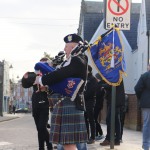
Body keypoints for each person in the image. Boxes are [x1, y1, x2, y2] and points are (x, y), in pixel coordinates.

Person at [34, 33, 88, 150]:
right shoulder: (71, 61)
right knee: (66, 143)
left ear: (73, 47)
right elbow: (61, 79)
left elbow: (60, 75)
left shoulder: (78, 60)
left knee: (68, 143)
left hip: (70, 103)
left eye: (66, 46)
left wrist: (42, 79)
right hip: (65, 103)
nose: (64, 49)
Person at [22, 57, 53, 150]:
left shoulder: (50, 74)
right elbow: (25, 84)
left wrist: (46, 88)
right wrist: (25, 77)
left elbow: (54, 89)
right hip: (35, 103)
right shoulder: (35, 75)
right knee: (39, 128)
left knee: (42, 126)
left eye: (45, 64)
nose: (42, 66)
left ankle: (49, 145)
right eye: (41, 64)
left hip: (45, 103)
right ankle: (41, 147)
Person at [100, 81, 125, 146]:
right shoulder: (117, 73)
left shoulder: (115, 74)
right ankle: (117, 139)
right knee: (116, 120)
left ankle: (108, 139)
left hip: (115, 100)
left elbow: (112, 85)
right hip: (116, 100)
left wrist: (102, 85)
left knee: (109, 119)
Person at [134, 64, 150, 150]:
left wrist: (141, 97)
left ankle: (146, 145)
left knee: (147, 124)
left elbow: (137, 88)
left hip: (146, 104)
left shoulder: (144, 76)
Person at [84, 65, 97, 144]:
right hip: (84, 101)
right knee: (85, 120)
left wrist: (83, 96)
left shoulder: (92, 79)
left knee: (91, 120)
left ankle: (93, 137)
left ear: (88, 70)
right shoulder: (84, 78)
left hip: (90, 101)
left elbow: (92, 91)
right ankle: (86, 136)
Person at [94, 73, 105, 141]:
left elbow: (97, 94)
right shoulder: (100, 84)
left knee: (94, 119)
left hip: (97, 104)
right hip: (98, 104)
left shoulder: (100, 85)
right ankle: (97, 133)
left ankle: (99, 133)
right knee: (94, 119)